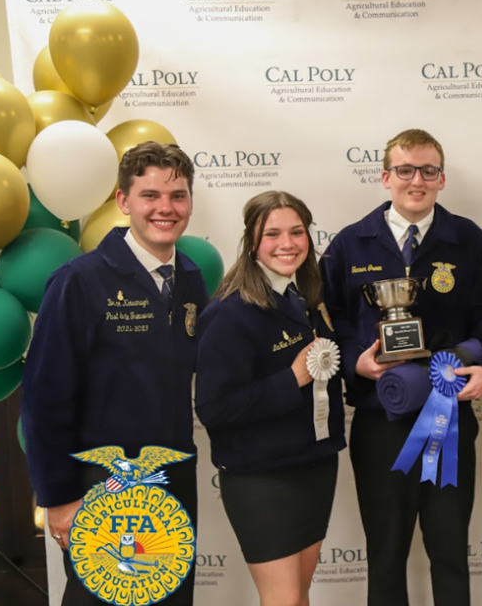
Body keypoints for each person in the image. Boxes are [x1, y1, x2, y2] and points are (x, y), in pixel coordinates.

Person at [320, 128, 482, 606]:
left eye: (428, 170)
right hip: (379, 419)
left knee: (450, 553)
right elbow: (326, 323)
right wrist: (353, 360)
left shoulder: (465, 238)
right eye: (405, 170)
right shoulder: (349, 244)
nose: (416, 180)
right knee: (385, 556)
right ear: (386, 176)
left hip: (449, 419)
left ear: (441, 179)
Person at [21, 142, 206, 606]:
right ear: (123, 202)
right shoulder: (79, 282)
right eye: (150, 196)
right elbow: (44, 399)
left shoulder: (190, 279)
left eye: (178, 196)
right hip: (100, 488)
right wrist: (59, 498)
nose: (166, 208)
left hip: (171, 485)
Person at [195, 191, 345, 606]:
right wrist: (291, 379)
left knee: (298, 596)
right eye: (273, 233)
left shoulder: (308, 295)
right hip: (262, 476)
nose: (288, 243)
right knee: (281, 599)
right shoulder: (229, 313)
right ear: (252, 241)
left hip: (315, 465)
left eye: (297, 232)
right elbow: (213, 407)